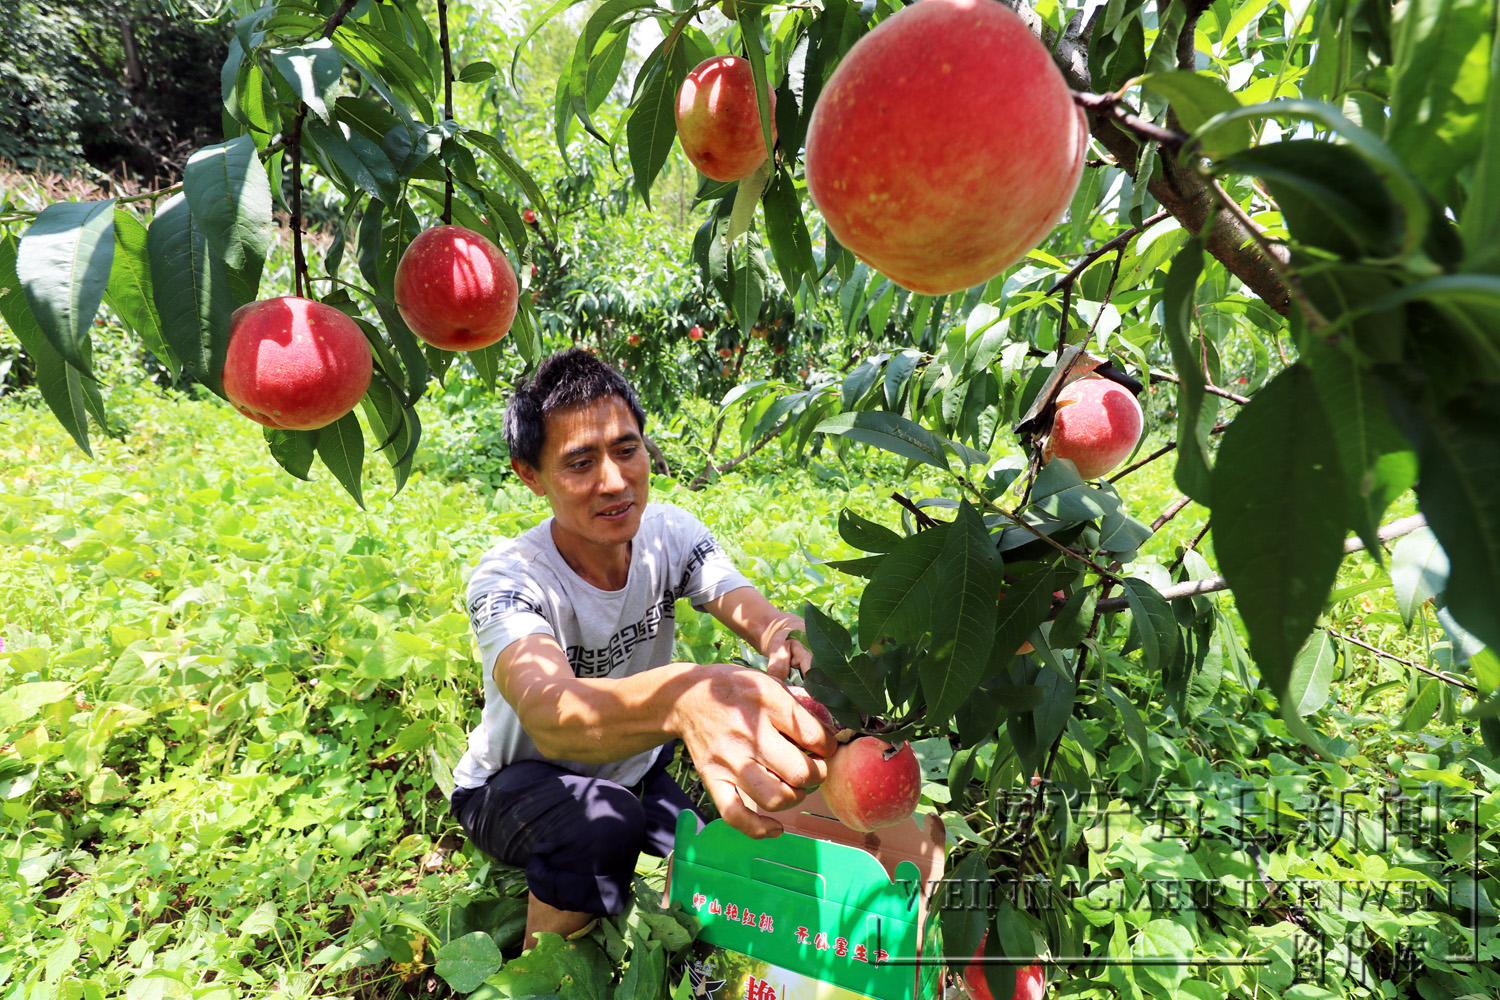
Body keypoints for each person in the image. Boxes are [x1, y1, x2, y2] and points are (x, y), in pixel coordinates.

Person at [450, 347, 837, 951]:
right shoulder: (511, 579)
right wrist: (683, 697)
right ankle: (538, 978)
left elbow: (750, 610)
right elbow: (551, 715)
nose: (614, 482)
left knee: (712, 879)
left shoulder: (670, 535)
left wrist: (782, 636)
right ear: (530, 475)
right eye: (580, 463)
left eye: (626, 450)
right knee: (603, 826)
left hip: (630, 765)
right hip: (513, 784)